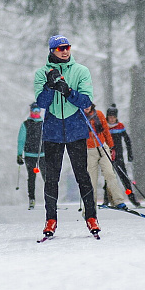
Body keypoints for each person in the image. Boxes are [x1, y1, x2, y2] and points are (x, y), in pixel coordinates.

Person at [34, 35, 100, 239]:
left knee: (83, 175)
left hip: (76, 129)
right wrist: (50, 86)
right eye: (60, 48)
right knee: (52, 178)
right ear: (52, 50)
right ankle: (51, 219)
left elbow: (86, 101)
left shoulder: (81, 71)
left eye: (67, 47)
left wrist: (67, 90)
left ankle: (91, 217)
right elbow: (42, 103)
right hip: (53, 130)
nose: (65, 51)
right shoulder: (41, 73)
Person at [83, 103, 129, 209]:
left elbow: (106, 131)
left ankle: (118, 201)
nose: (87, 107)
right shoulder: (79, 117)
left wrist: (111, 147)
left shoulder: (98, 114)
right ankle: (90, 205)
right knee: (91, 179)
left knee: (109, 174)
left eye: (88, 104)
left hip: (103, 148)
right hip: (89, 151)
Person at [105, 103, 140, 207]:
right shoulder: (104, 127)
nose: (112, 120)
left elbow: (127, 141)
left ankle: (131, 197)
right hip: (108, 156)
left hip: (118, 156)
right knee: (108, 178)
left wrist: (130, 154)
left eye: (114, 117)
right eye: (110, 117)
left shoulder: (120, 126)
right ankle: (107, 200)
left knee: (125, 179)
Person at [17, 103, 46, 209]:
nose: (35, 113)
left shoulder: (44, 123)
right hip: (30, 155)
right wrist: (19, 154)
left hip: (42, 154)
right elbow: (21, 140)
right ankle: (32, 199)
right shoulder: (26, 124)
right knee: (32, 177)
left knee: (46, 177)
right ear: (31, 111)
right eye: (34, 110)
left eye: (37, 110)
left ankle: (50, 199)